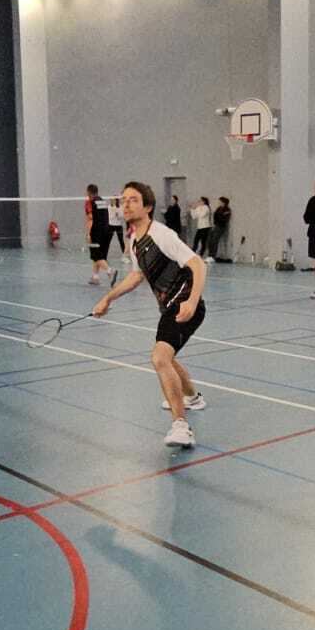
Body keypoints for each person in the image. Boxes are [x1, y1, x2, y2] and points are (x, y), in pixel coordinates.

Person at [93, 181, 208, 449]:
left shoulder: (161, 234)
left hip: (184, 303)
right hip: (169, 306)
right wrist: (108, 298)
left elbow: (198, 264)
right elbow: (137, 276)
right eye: (124, 200)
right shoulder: (135, 240)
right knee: (167, 357)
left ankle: (181, 426)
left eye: (133, 199)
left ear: (147, 207)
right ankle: (192, 397)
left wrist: (192, 301)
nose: (126, 204)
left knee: (159, 357)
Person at [84, 183, 116, 285]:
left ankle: (110, 271)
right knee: (97, 255)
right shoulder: (102, 201)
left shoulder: (90, 202)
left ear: (88, 192)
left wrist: (88, 234)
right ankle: (95, 277)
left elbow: (91, 218)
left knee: (96, 255)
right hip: (106, 231)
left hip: (96, 233)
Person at [210, 196, 232, 261]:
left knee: (215, 240)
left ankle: (213, 256)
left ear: (223, 202)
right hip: (216, 225)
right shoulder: (218, 208)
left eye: (220, 201)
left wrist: (221, 216)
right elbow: (215, 216)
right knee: (211, 240)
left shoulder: (227, 209)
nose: (219, 202)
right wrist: (214, 224)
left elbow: (225, 219)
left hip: (221, 226)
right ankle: (210, 255)